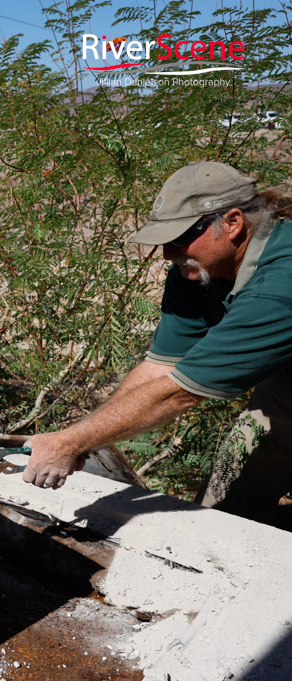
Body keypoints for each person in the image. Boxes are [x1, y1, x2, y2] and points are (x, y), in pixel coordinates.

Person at [24, 161, 292, 525]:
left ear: (232, 223)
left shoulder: (281, 284)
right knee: (225, 512)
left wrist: (69, 443)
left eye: (180, 238)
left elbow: (181, 392)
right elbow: (160, 369)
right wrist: (81, 439)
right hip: (285, 386)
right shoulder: (194, 270)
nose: (168, 253)